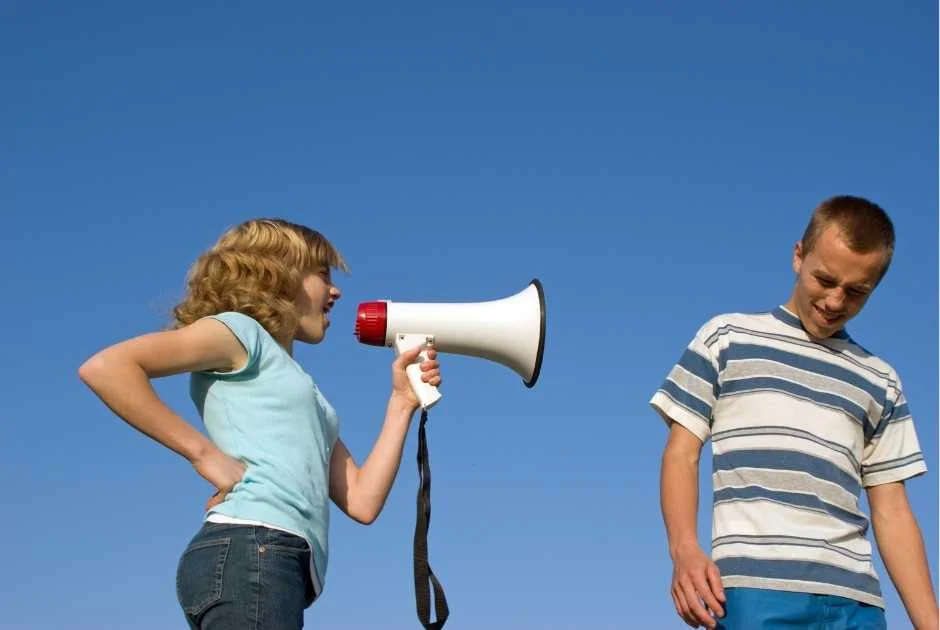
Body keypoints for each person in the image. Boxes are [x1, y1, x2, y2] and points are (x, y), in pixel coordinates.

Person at [78, 218, 442, 629]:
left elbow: (361, 501)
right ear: (279, 274)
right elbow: (108, 367)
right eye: (323, 274)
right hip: (254, 549)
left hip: (272, 560)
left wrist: (401, 403)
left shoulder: (304, 392)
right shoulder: (239, 332)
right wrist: (202, 454)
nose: (335, 290)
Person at [649, 196, 938, 629]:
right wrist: (684, 549)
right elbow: (681, 453)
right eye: (825, 279)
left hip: (856, 603)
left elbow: (893, 510)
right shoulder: (726, 338)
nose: (835, 300)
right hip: (754, 591)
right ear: (798, 256)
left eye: (857, 291)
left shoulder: (881, 379)